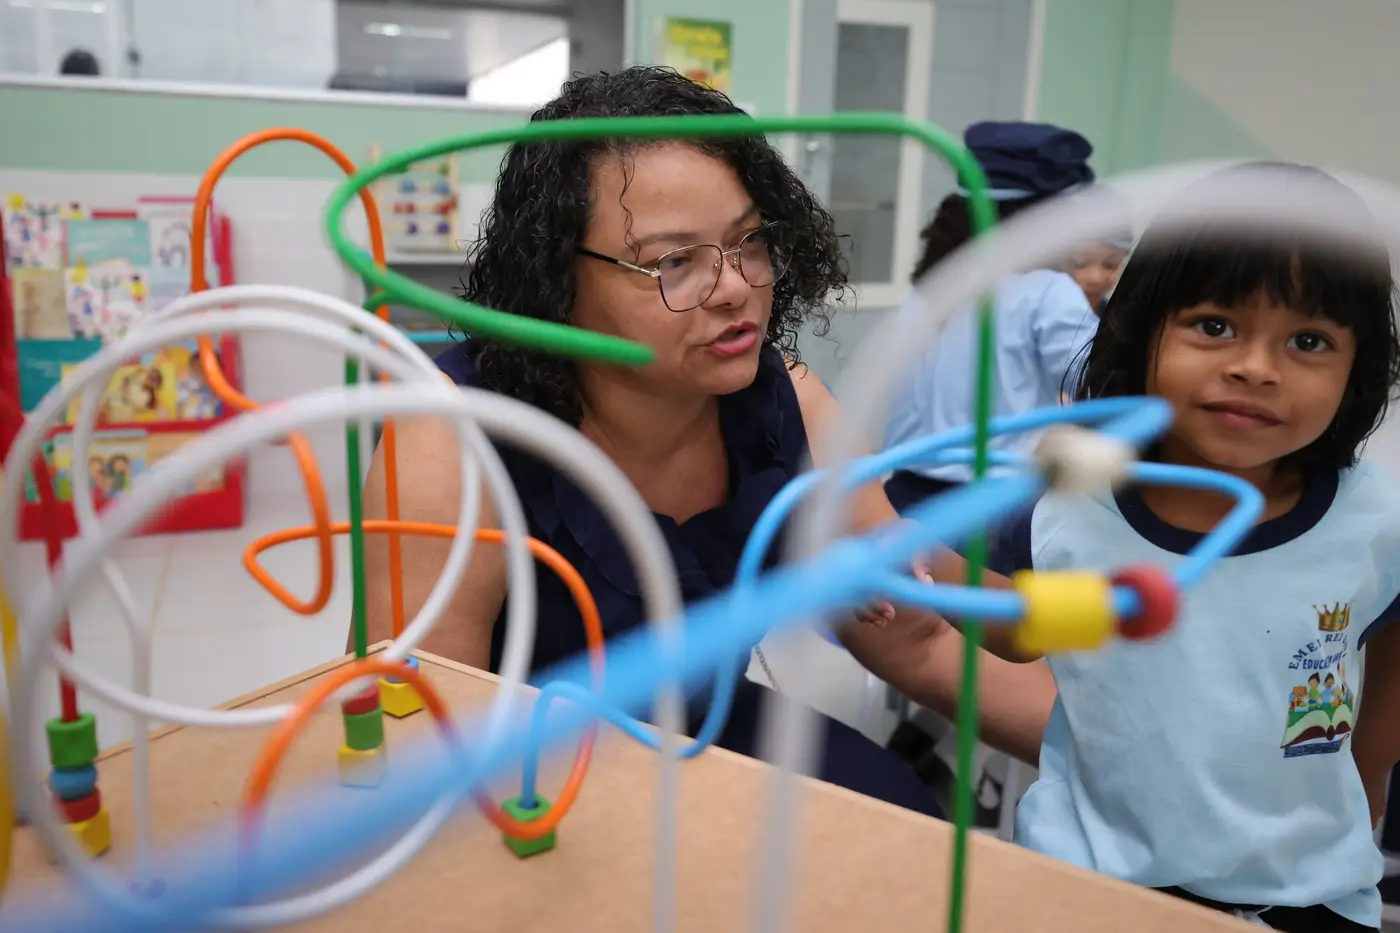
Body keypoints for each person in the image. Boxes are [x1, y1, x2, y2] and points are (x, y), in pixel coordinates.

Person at [359, 67, 1057, 816]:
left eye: (749, 242)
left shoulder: (785, 401)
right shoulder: (452, 436)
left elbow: (920, 641)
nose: (733, 288)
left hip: (705, 730)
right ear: (555, 278)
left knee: (907, 816)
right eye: (673, 261)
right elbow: (423, 743)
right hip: (524, 776)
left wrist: (1121, 762)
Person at [985, 162, 1400, 932]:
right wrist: (908, 567)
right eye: (1214, 325)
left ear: (1359, 368)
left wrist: (1369, 782)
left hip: (1307, 893)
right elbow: (1024, 630)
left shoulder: (1373, 516)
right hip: (1090, 885)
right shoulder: (1077, 498)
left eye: (1308, 340)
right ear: (1143, 330)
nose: (1255, 368)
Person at [882, 121, 1102, 515]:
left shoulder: (930, 284)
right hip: (996, 506)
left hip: (905, 498)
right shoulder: (1047, 291)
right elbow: (1100, 387)